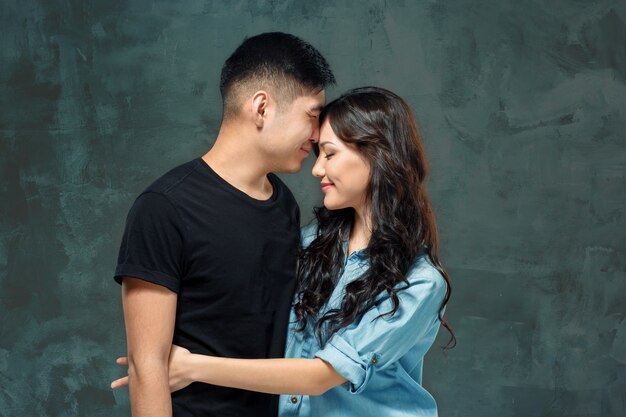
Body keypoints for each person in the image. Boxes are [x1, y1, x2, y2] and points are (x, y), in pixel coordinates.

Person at [113, 87, 455, 417]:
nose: (317, 168)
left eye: (330, 154)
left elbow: (320, 376)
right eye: (318, 152)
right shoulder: (312, 244)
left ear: (377, 156)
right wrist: (152, 367)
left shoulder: (421, 282)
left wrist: (191, 366)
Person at [113, 32, 335, 417]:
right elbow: (147, 366)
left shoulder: (284, 204)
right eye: (312, 116)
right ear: (262, 107)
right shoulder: (164, 208)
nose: (317, 136)